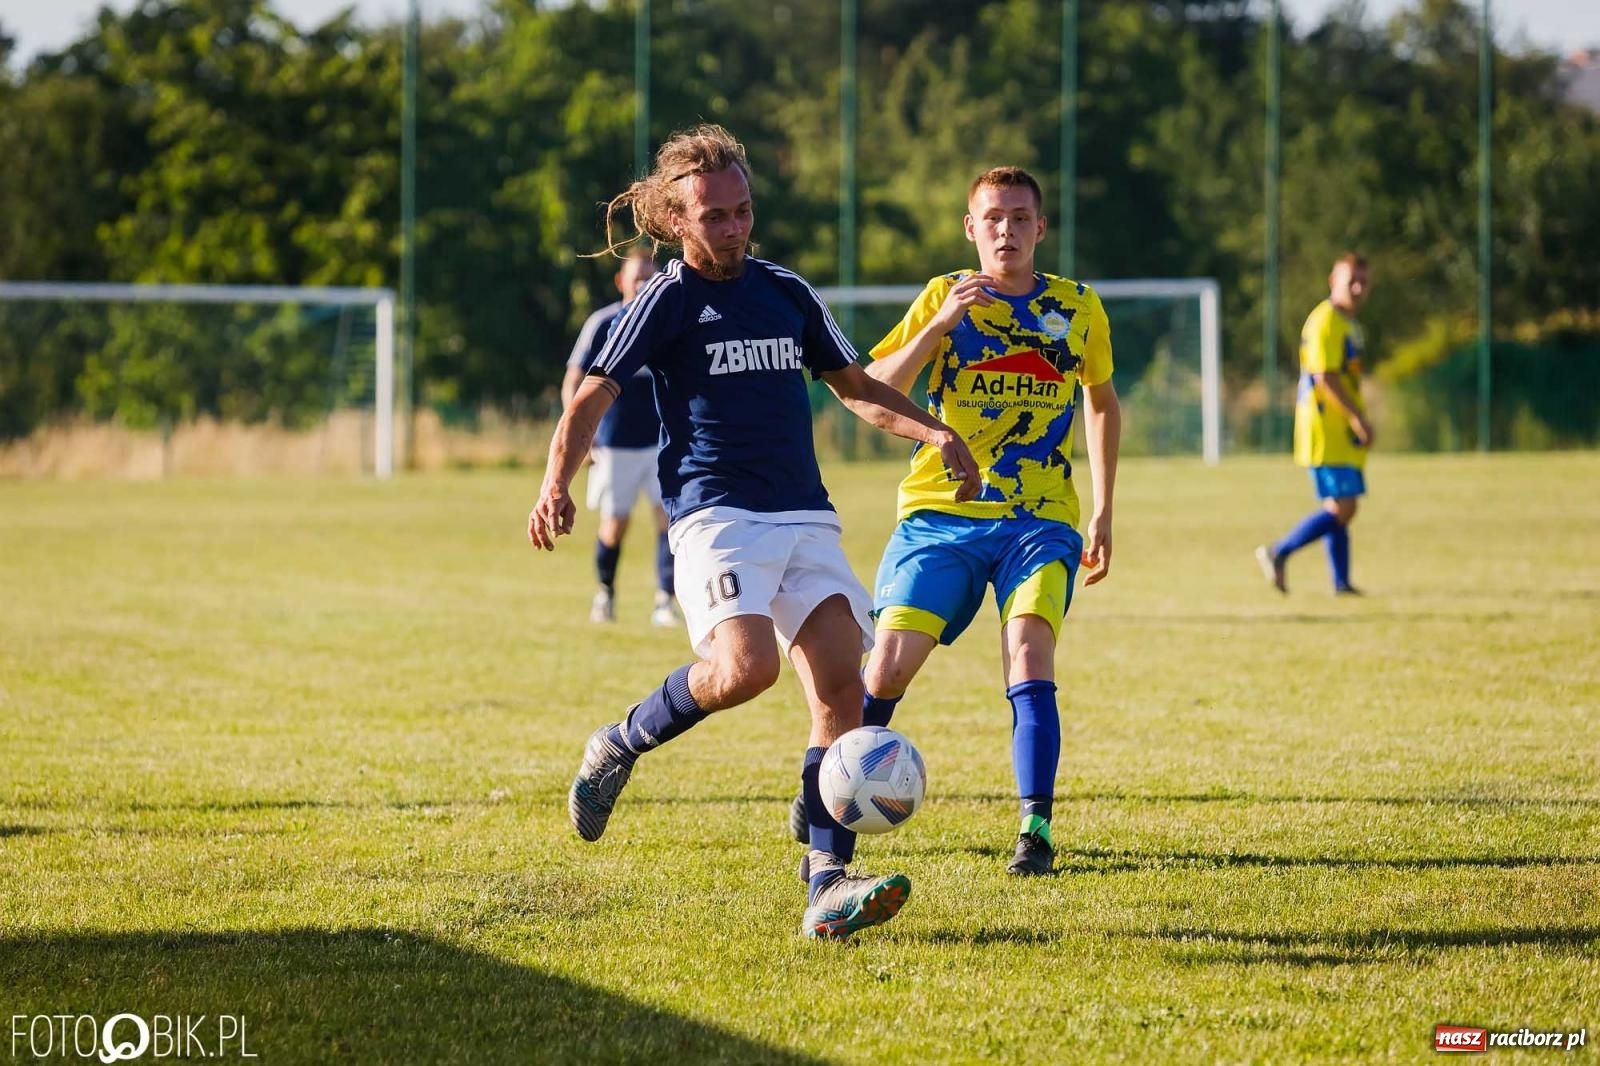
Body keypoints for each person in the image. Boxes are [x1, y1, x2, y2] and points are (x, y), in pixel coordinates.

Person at [529, 124, 982, 940]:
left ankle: (826, 886)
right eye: (715, 217)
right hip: (716, 515)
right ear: (676, 220)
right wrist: (556, 483)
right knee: (745, 670)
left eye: (742, 211)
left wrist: (937, 433)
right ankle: (619, 743)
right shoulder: (664, 300)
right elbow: (591, 398)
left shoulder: (787, 290)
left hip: (805, 514)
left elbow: (857, 387)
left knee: (847, 690)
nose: (734, 228)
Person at [787, 166, 1121, 878]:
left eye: (1021, 216)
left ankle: (1035, 829)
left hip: (1040, 516)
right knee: (886, 665)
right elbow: (874, 387)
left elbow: (1101, 402)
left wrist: (1103, 509)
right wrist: (940, 326)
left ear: (1041, 227)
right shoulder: (944, 296)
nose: (1008, 229)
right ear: (971, 228)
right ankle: (832, 787)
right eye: (993, 217)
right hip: (940, 515)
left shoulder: (1078, 307)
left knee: (1030, 655)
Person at [561, 248, 678, 627]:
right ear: (621, 281)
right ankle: (606, 593)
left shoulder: (669, 319)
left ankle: (664, 601)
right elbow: (575, 381)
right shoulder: (604, 322)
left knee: (669, 522)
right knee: (615, 524)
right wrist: (581, 431)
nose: (644, 282)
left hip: (663, 444)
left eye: (650, 275)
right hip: (615, 444)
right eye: (637, 276)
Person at [1256, 253, 1374, 596]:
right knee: (1344, 506)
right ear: (1332, 280)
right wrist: (1356, 417)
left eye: (1363, 281)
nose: (1357, 287)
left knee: (1338, 505)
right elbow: (1324, 377)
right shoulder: (1324, 322)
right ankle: (1279, 551)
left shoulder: (1348, 323)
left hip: (1339, 431)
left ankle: (1341, 582)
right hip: (1324, 429)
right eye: (1350, 279)